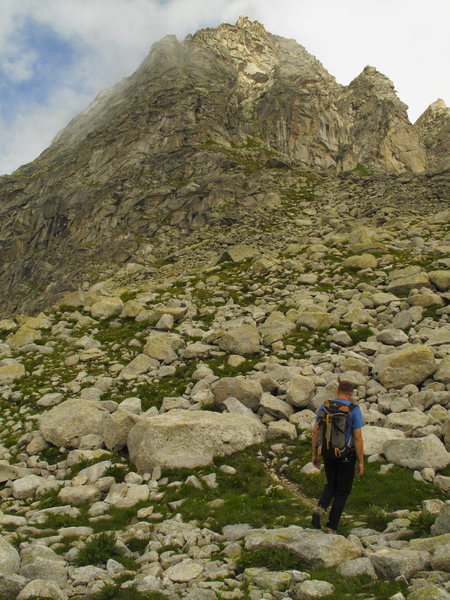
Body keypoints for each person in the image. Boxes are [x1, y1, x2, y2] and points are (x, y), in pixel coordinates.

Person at [311, 380, 364, 533]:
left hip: (327, 452)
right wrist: (361, 462)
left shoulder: (325, 405)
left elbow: (315, 432)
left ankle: (318, 510)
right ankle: (331, 527)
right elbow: (358, 437)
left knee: (331, 484)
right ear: (351, 393)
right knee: (342, 490)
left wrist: (315, 454)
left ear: (337, 391)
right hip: (346, 454)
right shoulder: (353, 409)